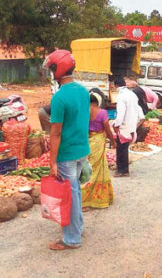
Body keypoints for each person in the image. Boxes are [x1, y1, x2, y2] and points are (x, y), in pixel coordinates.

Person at [44, 50, 90, 250]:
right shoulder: (83, 91)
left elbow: (56, 133)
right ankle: (77, 228)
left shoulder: (59, 98)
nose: (50, 72)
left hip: (67, 154)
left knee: (69, 195)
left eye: (51, 69)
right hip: (82, 151)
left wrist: (52, 161)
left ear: (58, 70)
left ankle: (72, 239)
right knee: (75, 192)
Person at [81, 93, 115, 211]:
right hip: (98, 142)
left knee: (87, 170)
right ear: (97, 102)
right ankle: (88, 201)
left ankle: (84, 199)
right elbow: (108, 131)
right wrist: (113, 142)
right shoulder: (102, 113)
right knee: (96, 171)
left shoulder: (84, 113)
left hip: (87, 142)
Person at [113, 76, 140, 178]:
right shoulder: (132, 94)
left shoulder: (121, 96)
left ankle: (123, 170)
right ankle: (121, 167)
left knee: (121, 148)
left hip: (124, 126)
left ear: (116, 85)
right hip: (132, 124)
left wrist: (116, 125)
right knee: (124, 147)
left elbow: (120, 114)